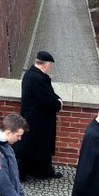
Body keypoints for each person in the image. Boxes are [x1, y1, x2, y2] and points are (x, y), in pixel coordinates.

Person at [14, 50, 63, 180]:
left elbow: (48, 94)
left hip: (35, 118)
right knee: (33, 146)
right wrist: (58, 104)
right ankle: (26, 173)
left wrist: (57, 99)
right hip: (37, 120)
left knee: (38, 146)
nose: (49, 67)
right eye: (49, 65)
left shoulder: (31, 75)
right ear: (46, 64)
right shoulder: (37, 78)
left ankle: (40, 171)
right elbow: (46, 100)